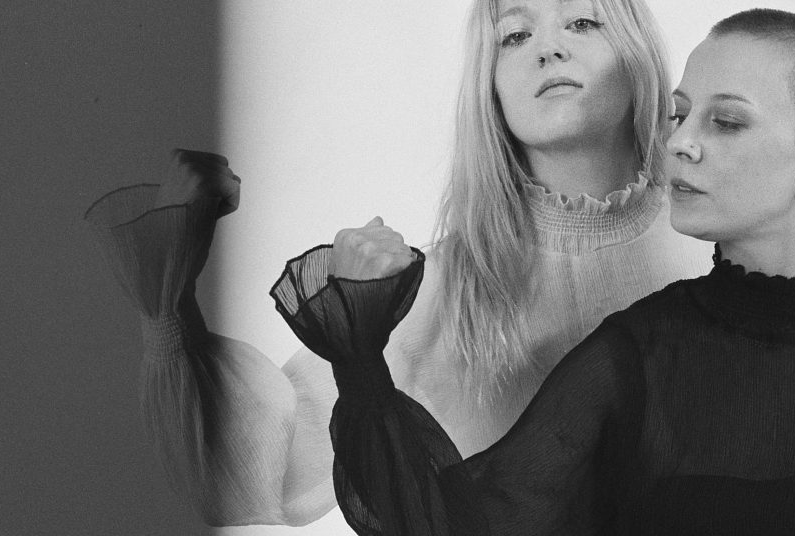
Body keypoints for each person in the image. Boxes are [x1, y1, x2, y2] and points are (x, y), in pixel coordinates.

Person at [272, 8, 795, 534]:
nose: (679, 142)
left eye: (727, 121)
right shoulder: (635, 354)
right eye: (678, 115)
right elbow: (460, 524)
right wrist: (359, 351)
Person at [83, 0, 707, 528]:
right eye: (514, 36)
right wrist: (168, 295)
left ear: (638, 52)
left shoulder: (725, 246)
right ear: (490, 87)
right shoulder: (432, 295)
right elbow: (265, 472)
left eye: (583, 22)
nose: (548, 49)